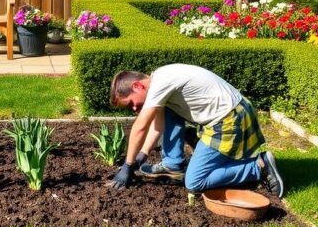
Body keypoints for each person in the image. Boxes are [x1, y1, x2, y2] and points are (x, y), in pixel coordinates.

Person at [108, 63, 284, 197]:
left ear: (138, 86)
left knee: (194, 182)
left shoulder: (160, 83)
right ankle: (172, 164)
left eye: (131, 102)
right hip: (232, 112)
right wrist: (143, 154)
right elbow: (158, 126)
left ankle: (258, 166)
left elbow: (140, 127)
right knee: (168, 110)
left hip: (230, 119)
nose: (133, 108)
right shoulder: (160, 78)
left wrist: (128, 165)